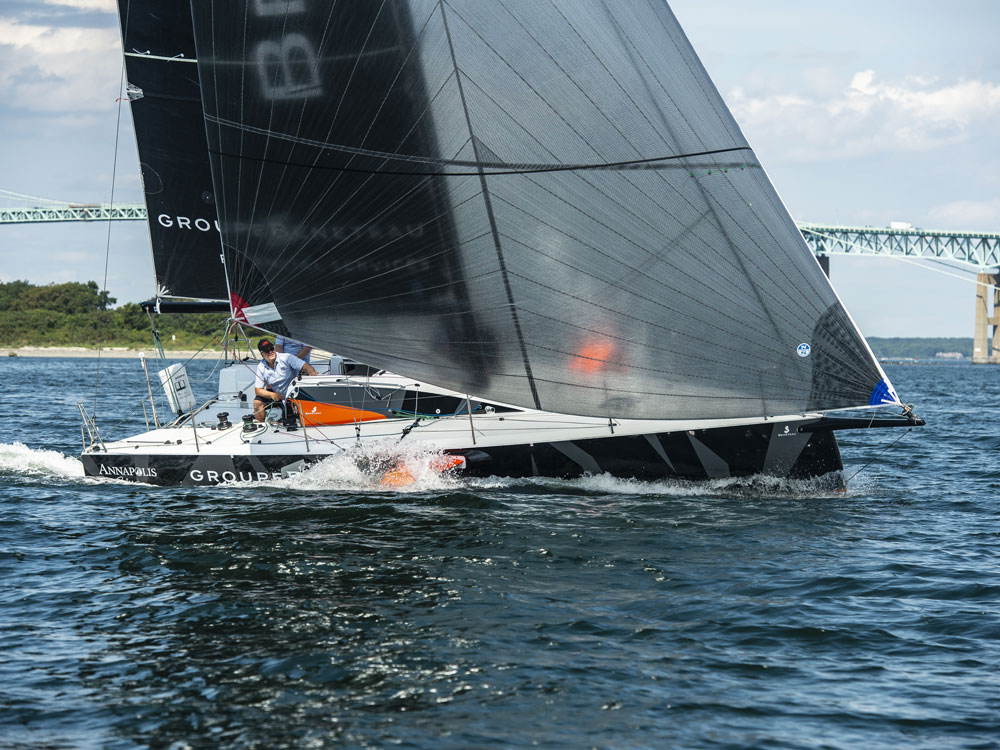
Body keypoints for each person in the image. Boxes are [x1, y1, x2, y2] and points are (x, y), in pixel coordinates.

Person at [253, 338, 318, 422]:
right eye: (267, 350)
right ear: (262, 354)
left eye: (271, 348)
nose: (270, 352)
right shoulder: (260, 367)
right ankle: (262, 425)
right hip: (275, 395)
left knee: (286, 421)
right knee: (257, 403)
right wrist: (272, 395)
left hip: (291, 396)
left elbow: (305, 366)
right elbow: (258, 390)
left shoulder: (287, 357)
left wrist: (312, 371)